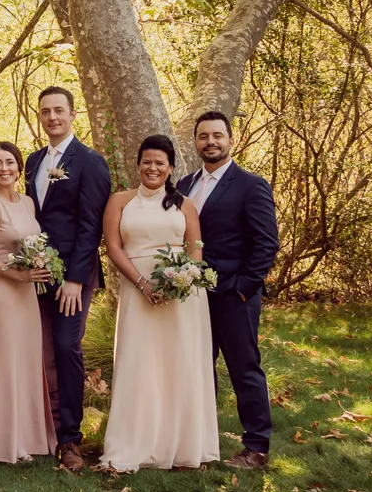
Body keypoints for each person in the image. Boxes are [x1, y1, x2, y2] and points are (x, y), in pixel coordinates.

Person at [99, 135, 219, 471]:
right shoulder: (119, 202)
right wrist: (141, 282)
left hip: (180, 296)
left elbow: (195, 248)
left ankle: (182, 445)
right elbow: (113, 247)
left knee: (178, 363)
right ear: (138, 164)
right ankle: (133, 443)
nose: (153, 168)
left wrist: (178, 280)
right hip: (137, 291)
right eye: (147, 161)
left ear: (170, 168)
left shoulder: (184, 205)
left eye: (160, 163)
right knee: (139, 362)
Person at [178, 112, 280, 470]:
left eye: (217, 135)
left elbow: (266, 243)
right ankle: (203, 442)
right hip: (192, 297)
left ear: (231, 140)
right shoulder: (185, 185)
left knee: (244, 368)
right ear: (195, 142)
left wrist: (242, 289)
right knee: (198, 368)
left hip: (234, 295)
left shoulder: (251, 185)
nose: (211, 142)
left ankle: (257, 447)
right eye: (203, 136)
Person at [22, 87, 111, 472]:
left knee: (66, 346)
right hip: (36, 273)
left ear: (73, 114)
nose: (52, 117)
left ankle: (71, 439)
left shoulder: (90, 161)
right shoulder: (33, 161)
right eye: (45, 111)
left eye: (59, 110)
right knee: (40, 351)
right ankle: (46, 430)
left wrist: (75, 279)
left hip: (73, 276)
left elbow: (92, 226)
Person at [0, 142, 56, 465]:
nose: (4, 168)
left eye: (10, 162)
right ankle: (2, 442)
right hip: (3, 291)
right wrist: (16, 274)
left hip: (28, 292)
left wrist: (38, 266)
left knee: (26, 360)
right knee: (4, 362)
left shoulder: (29, 203)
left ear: (19, 168)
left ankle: (28, 437)